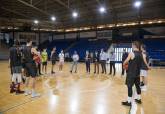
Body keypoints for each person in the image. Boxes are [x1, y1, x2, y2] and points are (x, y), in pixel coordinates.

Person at [122, 41, 143, 106]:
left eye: (132, 45)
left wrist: (124, 64)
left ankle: (129, 102)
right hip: (137, 74)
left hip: (131, 73)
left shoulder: (131, 53)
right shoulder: (141, 54)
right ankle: (139, 99)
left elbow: (125, 61)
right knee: (137, 86)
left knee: (129, 87)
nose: (131, 46)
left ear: (134, 45)